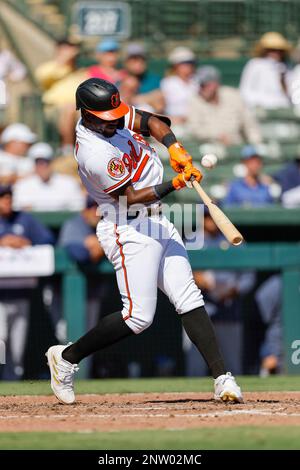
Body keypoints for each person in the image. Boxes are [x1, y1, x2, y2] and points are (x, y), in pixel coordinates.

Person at [46, 77, 243, 405]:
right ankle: (66, 358)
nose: (114, 122)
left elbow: (151, 121)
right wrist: (176, 182)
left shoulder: (108, 116)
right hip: (128, 227)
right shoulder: (93, 151)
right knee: (138, 316)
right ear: (88, 115)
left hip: (158, 221)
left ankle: (223, 378)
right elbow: (131, 198)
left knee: (188, 296)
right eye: (106, 120)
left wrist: (174, 146)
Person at [0, 184, 54, 379]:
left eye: (8, 196)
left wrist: (25, 242)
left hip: (21, 292)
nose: (6, 200)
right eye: (2, 197)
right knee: (1, 338)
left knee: (17, 344)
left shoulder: (24, 219)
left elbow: (47, 239)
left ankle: (12, 380)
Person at [186, 66, 262, 146]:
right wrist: (217, 135)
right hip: (209, 147)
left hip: (236, 146)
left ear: (215, 84)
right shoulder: (195, 100)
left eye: (203, 85)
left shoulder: (233, 96)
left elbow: (249, 123)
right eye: (199, 85)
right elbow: (194, 129)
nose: (200, 89)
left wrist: (255, 143)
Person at [13, 142, 84, 211]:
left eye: (46, 161)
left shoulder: (68, 183)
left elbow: (78, 207)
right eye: (38, 162)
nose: (43, 166)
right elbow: (17, 208)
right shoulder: (22, 185)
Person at [240, 32, 292, 109]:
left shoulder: (286, 67)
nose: (276, 53)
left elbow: (291, 93)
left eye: (280, 50)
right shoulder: (255, 64)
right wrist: (260, 103)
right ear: (265, 50)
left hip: (284, 110)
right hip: (261, 111)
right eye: (272, 49)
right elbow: (245, 91)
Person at [160, 47, 198, 127]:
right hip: (175, 122)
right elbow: (161, 107)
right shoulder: (167, 83)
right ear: (176, 65)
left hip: (197, 120)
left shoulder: (197, 81)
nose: (189, 66)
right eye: (185, 63)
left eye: (191, 63)